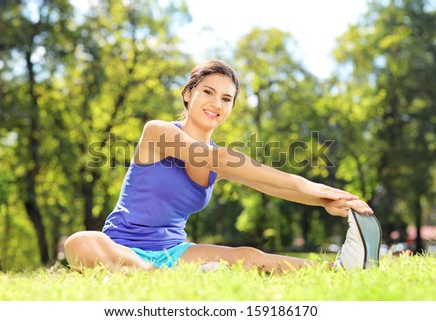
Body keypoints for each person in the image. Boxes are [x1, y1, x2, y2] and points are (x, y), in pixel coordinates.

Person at [64, 60, 381, 274]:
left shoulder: (218, 156)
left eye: (227, 99)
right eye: (208, 92)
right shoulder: (157, 132)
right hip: (118, 246)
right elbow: (210, 158)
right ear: (189, 94)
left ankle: (338, 270)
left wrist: (327, 199)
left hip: (174, 252)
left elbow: (271, 184)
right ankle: (153, 277)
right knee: (79, 241)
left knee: (250, 256)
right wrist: (321, 189)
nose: (217, 104)